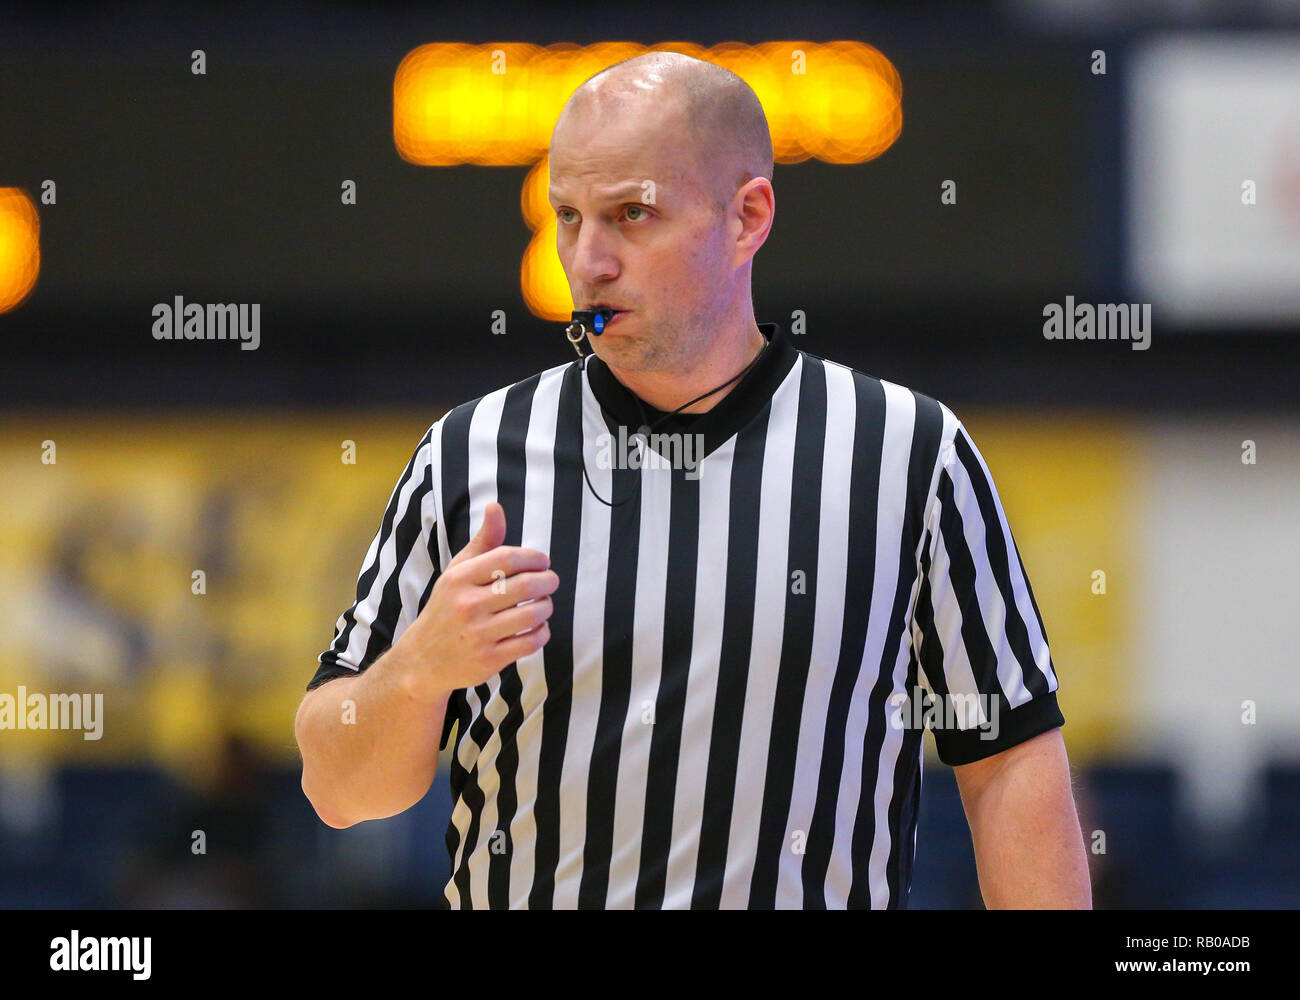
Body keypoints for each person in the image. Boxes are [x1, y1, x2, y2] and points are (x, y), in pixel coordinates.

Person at [295, 51, 1091, 909]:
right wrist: (417, 670)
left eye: (632, 214)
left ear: (748, 218)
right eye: (567, 215)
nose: (588, 260)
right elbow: (341, 794)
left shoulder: (906, 452)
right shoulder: (470, 453)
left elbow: (1008, 764)